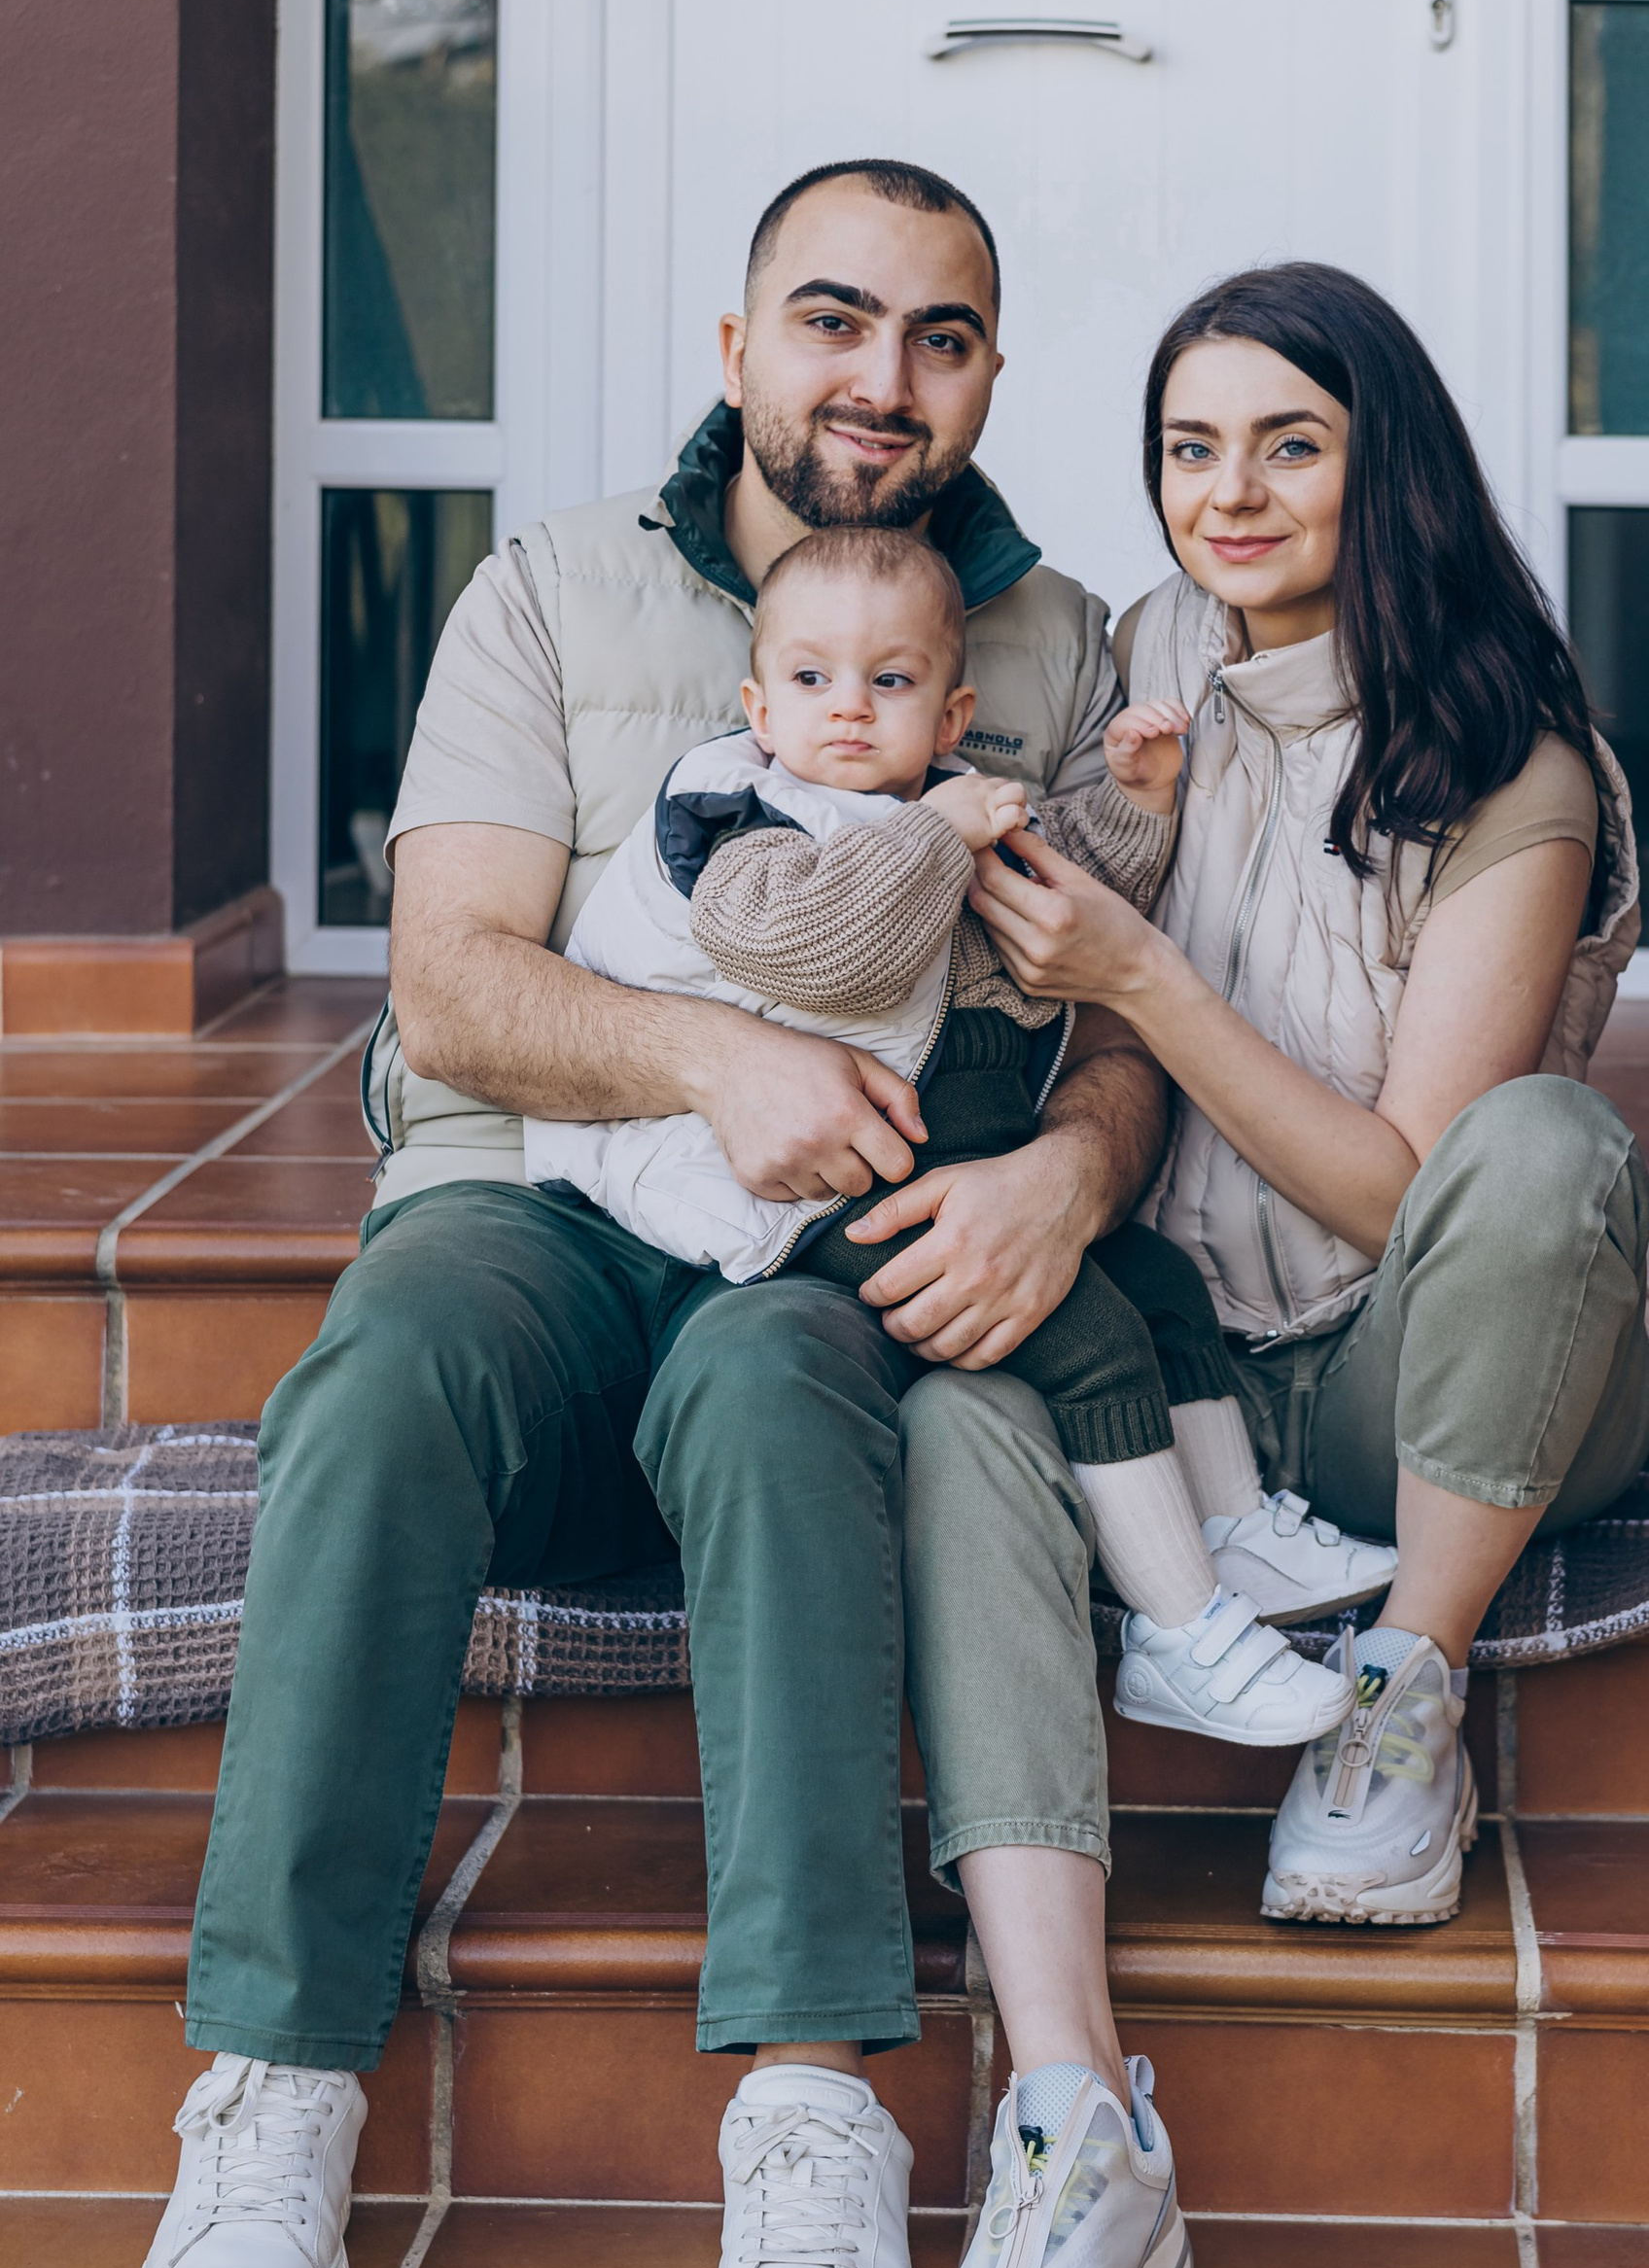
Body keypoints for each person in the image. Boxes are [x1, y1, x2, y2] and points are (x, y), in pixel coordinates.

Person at [137, 160, 1359, 2268]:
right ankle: (278, 2079)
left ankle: (807, 2108)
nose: (878, 379)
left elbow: (1119, 999)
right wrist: (722, 1050)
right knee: (383, 1364)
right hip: (548, 1213)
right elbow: (450, 981)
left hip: (826, 1259)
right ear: (738, 348)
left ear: (992, 375)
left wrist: (1073, 1182)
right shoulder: (553, 589)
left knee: (796, 1399)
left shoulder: (1069, 643)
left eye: (940, 337)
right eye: (830, 319)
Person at [947, 260, 1649, 1944]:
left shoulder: (1511, 766)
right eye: (1191, 450)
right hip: (1189, 1374)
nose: (1229, 497)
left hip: (1418, 1375)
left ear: (1384, 464)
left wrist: (1138, 975)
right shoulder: (1154, 657)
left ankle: (1407, 1697)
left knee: (1547, 1145)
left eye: (1290, 447)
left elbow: (1407, 1194)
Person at [523, 520, 1370, 1740]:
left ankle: (1232, 1535)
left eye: (892, 681)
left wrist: (1133, 803)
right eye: (812, 680)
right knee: (1081, 1336)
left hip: (962, 1156)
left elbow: (1069, 884)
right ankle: (1177, 1636)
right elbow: (825, 952)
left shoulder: (936, 809)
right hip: (826, 1186)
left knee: (1152, 1278)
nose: (850, 711)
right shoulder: (740, 818)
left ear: (952, 711)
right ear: (760, 705)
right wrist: (942, 831)